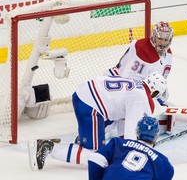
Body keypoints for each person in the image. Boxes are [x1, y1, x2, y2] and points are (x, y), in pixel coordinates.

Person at [28, 72, 168, 170]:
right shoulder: (140, 97)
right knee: (96, 156)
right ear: (155, 92)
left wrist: (123, 150)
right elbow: (131, 133)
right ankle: (49, 147)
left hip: (87, 97)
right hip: (91, 106)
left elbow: (122, 125)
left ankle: (85, 138)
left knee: (112, 123)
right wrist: (135, 154)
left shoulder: (135, 86)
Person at [106, 21, 175, 133]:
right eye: (160, 39)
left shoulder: (168, 53)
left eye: (166, 40)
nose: (163, 43)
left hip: (128, 84)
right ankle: (107, 126)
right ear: (153, 36)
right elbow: (129, 83)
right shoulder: (143, 50)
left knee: (162, 95)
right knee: (124, 104)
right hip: (116, 82)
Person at [87, 115, 174, 180]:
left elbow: (95, 158)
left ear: (137, 132)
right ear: (157, 135)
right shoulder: (163, 163)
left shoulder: (118, 143)